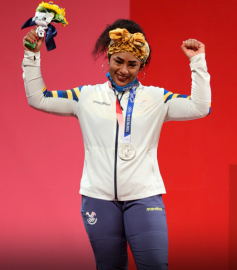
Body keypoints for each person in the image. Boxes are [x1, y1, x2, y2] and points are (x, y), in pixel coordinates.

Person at [22, 19, 211, 269]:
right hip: (98, 198)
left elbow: (200, 107)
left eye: (132, 64)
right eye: (118, 62)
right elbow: (39, 99)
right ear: (108, 58)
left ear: (141, 65)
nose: (124, 70)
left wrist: (197, 61)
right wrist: (31, 55)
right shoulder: (85, 96)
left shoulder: (157, 98)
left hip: (143, 197)